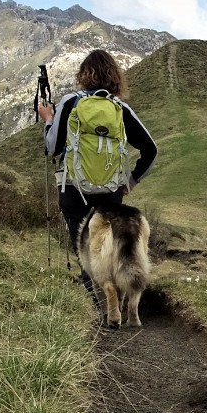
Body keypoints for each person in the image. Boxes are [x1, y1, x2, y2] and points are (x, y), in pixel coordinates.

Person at [40, 49, 157, 294]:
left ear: (83, 75)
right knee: (107, 250)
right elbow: (151, 149)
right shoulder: (120, 109)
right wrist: (132, 180)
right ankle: (117, 304)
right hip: (110, 193)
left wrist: (48, 119)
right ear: (115, 77)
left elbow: (53, 147)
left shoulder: (70, 102)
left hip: (74, 190)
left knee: (85, 253)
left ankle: (94, 308)